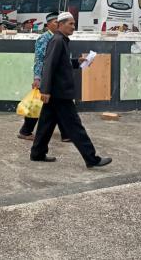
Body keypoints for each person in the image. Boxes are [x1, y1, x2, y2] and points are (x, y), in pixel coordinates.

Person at [31, 12, 112, 168]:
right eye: (70, 24)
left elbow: (62, 64)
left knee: (46, 125)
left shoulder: (61, 41)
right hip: (59, 93)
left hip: (57, 93)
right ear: (60, 24)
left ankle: (37, 153)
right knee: (75, 127)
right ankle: (91, 159)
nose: (73, 27)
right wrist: (45, 90)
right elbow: (49, 66)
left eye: (74, 24)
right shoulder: (57, 41)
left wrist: (77, 62)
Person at [19, 13, 69, 142]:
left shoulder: (60, 38)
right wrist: (37, 78)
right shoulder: (44, 39)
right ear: (47, 25)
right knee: (39, 104)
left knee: (57, 105)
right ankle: (25, 131)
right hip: (45, 78)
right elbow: (39, 59)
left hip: (55, 77)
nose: (58, 24)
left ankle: (67, 133)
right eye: (54, 22)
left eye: (59, 22)